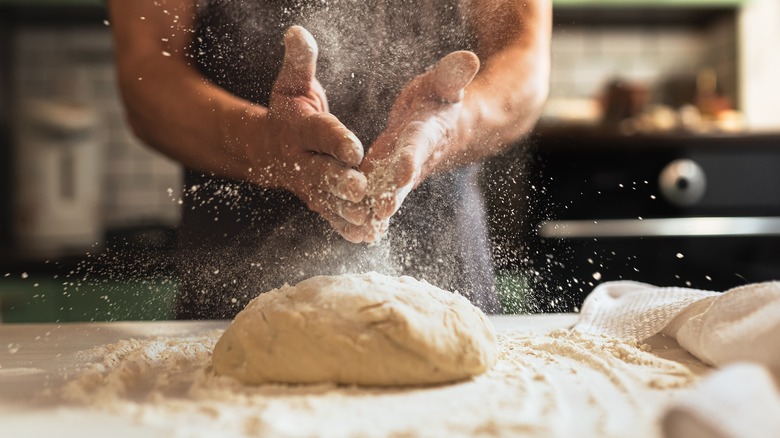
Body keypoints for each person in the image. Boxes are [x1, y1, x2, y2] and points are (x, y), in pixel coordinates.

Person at [107, 0, 551, 319]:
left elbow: (524, 59)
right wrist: (266, 146)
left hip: (445, 270)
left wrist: (448, 127)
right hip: (235, 285)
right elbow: (146, 72)